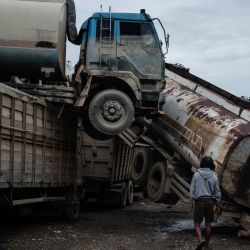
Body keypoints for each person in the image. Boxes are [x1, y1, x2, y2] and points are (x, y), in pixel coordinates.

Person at [190, 156, 221, 250]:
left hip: (199, 201)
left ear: (202, 164)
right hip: (210, 202)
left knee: (197, 223)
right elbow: (217, 192)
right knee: (208, 224)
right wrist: (218, 204)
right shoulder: (214, 176)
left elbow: (192, 189)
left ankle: (200, 241)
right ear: (211, 165)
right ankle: (207, 245)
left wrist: (191, 200)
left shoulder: (196, 175)